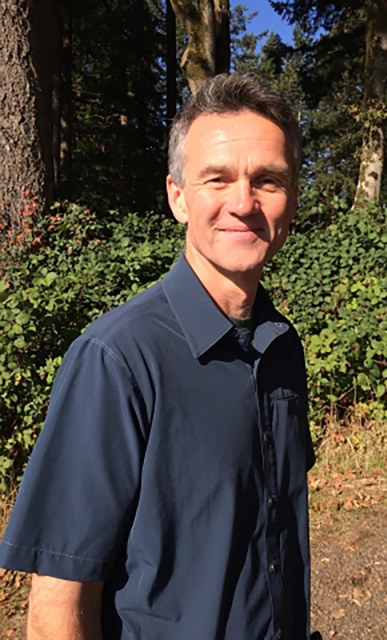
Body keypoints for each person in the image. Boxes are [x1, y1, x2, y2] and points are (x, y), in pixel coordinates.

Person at [0, 73, 315, 640]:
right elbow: (57, 608)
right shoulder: (116, 361)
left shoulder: (281, 346)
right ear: (177, 196)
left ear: (292, 198)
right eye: (216, 179)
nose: (243, 203)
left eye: (267, 180)